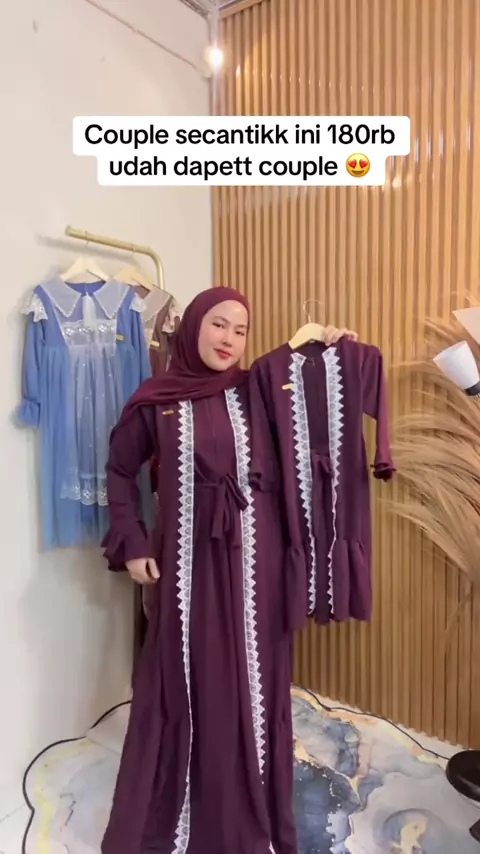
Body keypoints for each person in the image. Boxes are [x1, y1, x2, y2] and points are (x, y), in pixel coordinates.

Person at [100, 286, 356, 854]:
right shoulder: (158, 400)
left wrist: (327, 349)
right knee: (194, 679)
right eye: (218, 324)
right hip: (189, 566)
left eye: (241, 331)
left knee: (257, 682)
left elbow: (310, 406)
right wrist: (133, 542)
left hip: (260, 564)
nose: (229, 340)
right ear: (194, 325)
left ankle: (252, 800)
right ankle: (195, 802)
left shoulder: (256, 389)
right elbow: (119, 472)